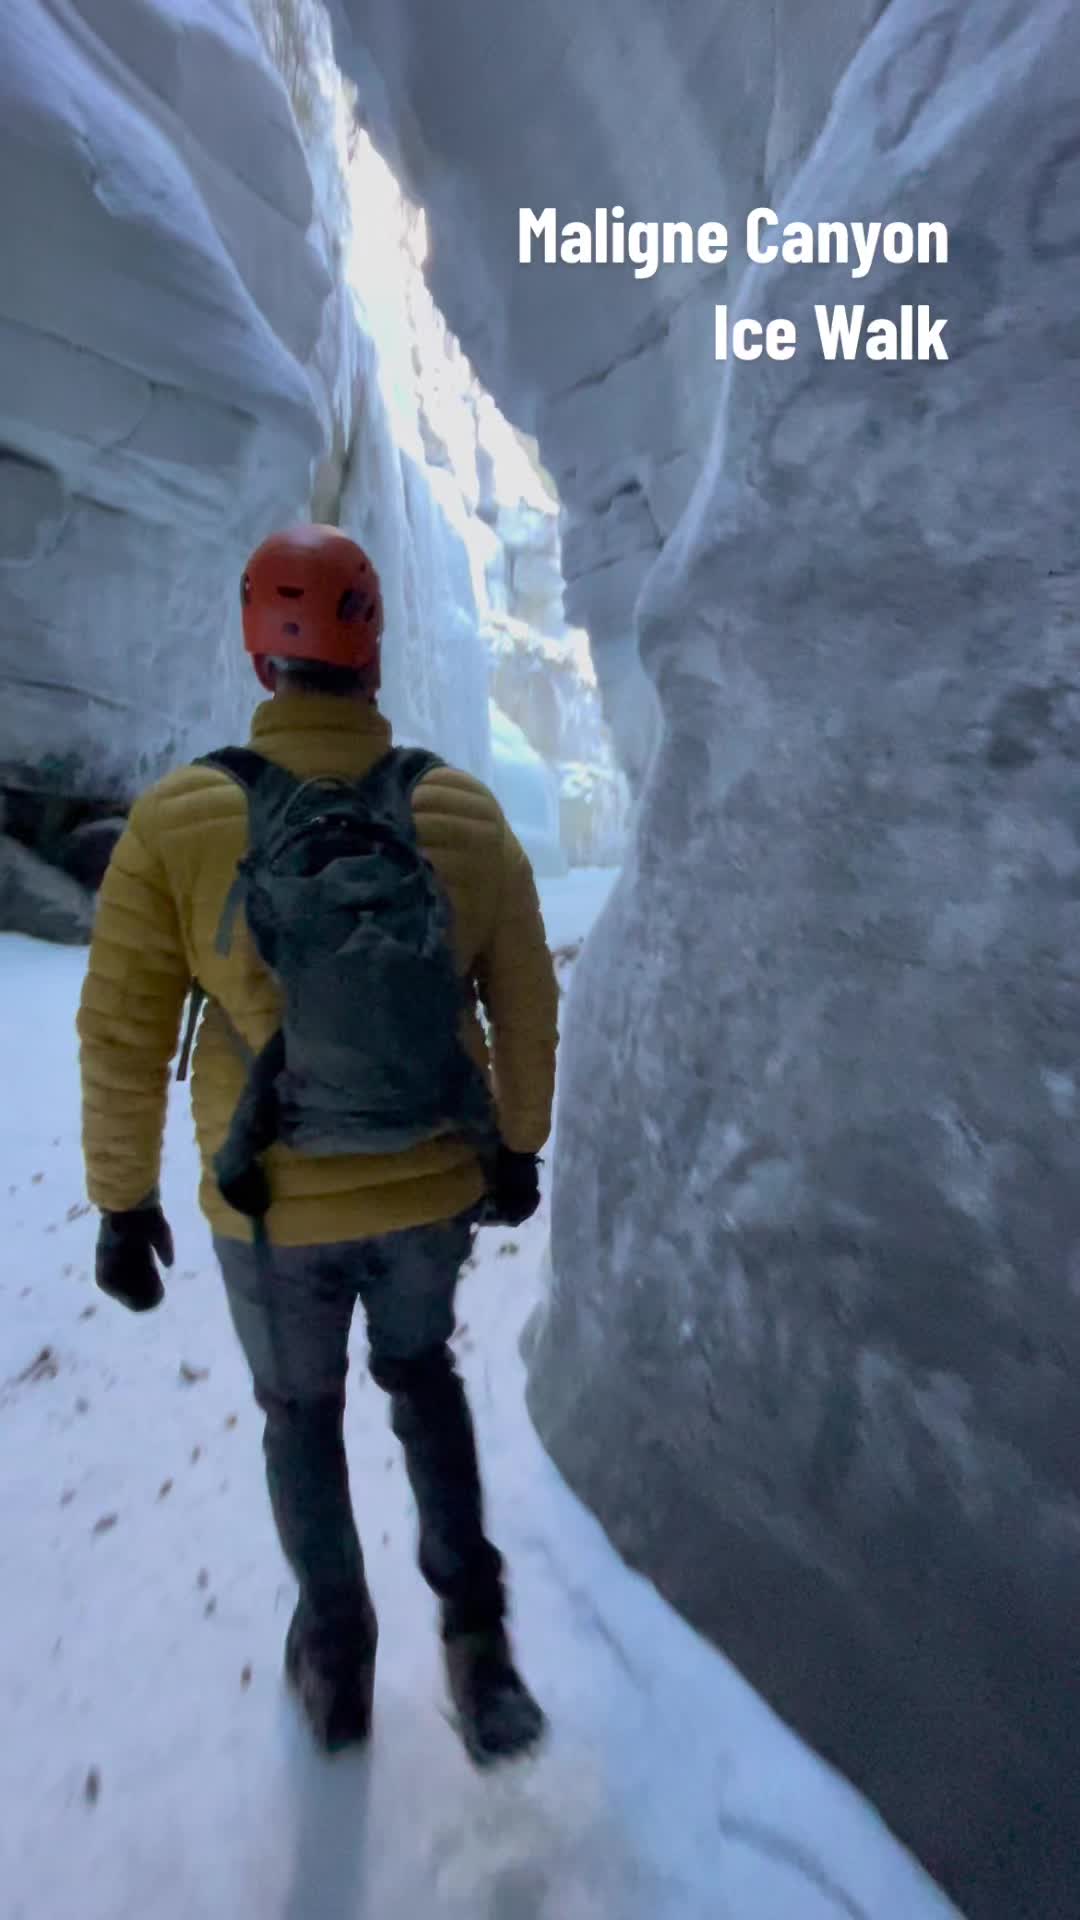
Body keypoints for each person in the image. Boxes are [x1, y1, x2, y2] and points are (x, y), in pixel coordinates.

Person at [77, 523, 559, 1764]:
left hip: (269, 1208)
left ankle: (336, 1663)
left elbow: (123, 1032)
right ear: (375, 646)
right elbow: (524, 996)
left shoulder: (179, 817)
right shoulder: (458, 808)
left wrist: (122, 1205)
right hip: (429, 1191)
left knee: (300, 1414)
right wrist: (517, 1147)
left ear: (259, 656)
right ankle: (480, 1645)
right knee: (423, 1383)